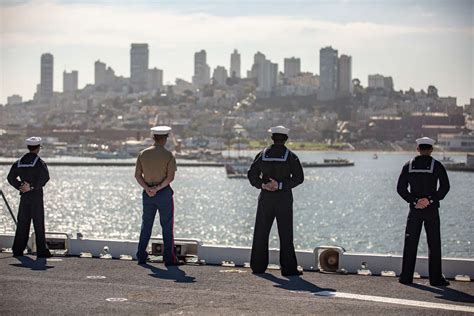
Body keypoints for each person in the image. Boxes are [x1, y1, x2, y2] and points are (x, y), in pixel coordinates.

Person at [247, 125, 304, 276]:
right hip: (283, 198)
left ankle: (258, 266)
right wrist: (280, 185)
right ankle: (288, 269)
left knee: (261, 231)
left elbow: (252, 175)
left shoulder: (262, 154)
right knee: (285, 233)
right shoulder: (291, 156)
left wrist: (263, 185)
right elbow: (299, 178)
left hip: (265, 198)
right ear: (285, 139)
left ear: (272, 138)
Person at [397, 137, 450, 286]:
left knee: (410, 243)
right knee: (434, 243)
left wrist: (414, 201)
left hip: (414, 210)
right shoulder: (437, 165)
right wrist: (430, 200)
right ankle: (436, 279)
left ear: (418, 149)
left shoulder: (408, 165)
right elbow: (445, 187)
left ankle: (406, 277)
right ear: (431, 149)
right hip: (432, 210)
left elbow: (400, 189)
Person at [135, 126, 179, 265]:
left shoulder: (143, 154)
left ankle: (141, 256)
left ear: (153, 137)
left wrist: (148, 188)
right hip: (163, 193)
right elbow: (170, 178)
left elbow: (137, 176)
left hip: (147, 194)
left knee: (146, 225)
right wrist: (158, 188)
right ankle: (169, 258)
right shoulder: (168, 156)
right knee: (167, 226)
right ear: (165, 139)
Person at [7, 137, 51, 258]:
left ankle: (17, 250)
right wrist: (31, 187)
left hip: (24, 197)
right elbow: (45, 177)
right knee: (38, 223)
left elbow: (10, 178)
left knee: (22, 223)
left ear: (28, 147)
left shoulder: (19, 162)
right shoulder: (39, 162)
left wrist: (21, 186)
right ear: (38, 148)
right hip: (36, 196)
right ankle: (42, 251)